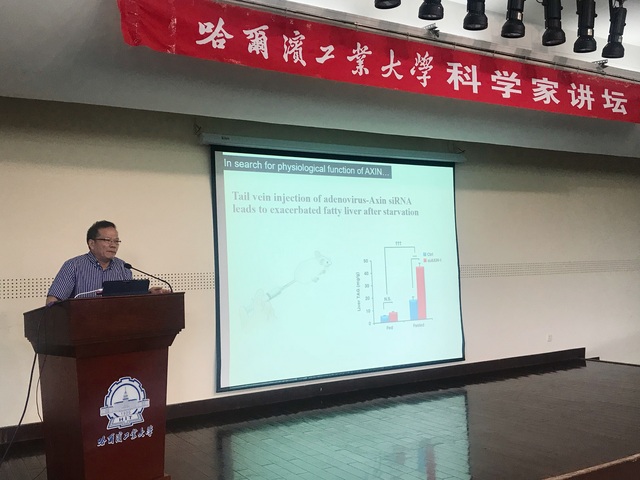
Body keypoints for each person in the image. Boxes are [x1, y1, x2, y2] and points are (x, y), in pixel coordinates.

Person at [46, 220, 133, 304]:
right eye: (107, 240)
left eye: (116, 241)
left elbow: (131, 302)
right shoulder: (73, 266)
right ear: (92, 243)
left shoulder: (124, 268)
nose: (113, 245)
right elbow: (53, 300)